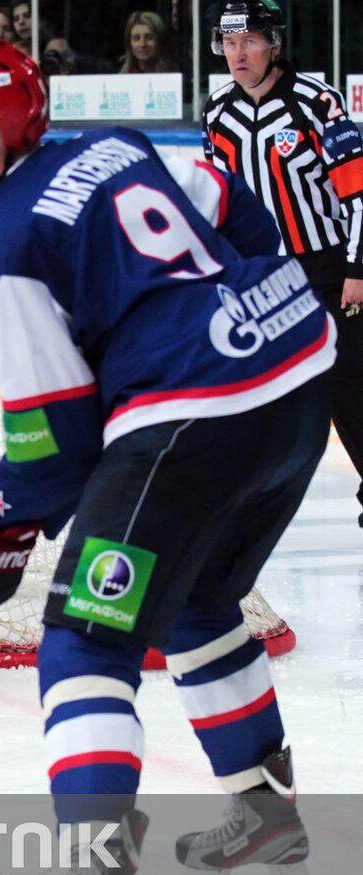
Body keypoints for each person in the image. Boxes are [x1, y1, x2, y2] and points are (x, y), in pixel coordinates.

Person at [0, 38, 333, 875]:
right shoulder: (118, 147)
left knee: (86, 641)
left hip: (190, 422)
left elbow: (54, 442)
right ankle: (263, 827)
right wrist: (227, 323)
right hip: (297, 383)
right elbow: (242, 217)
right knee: (194, 601)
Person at [203, 0, 363, 524]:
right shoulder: (219, 110)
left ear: (273, 43)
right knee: (254, 389)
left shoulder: (317, 103)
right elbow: (218, 201)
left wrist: (358, 272)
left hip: (329, 269)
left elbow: (358, 196)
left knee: (348, 388)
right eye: (229, 43)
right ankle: (243, 503)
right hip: (263, 273)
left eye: (248, 41)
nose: (237, 54)